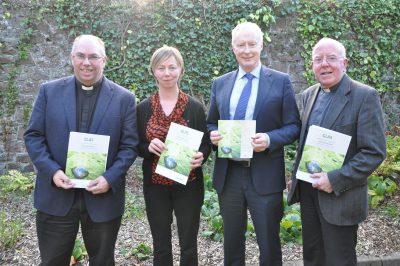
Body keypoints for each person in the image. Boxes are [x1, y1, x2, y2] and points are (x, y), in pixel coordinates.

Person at [24, 34, 138, 266]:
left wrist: (109, 178)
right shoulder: (49, 91)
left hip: (102, 198)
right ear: (72, 58)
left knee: (103, 262)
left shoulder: (124, 98)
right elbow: (33, 136)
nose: (87, 62)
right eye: (81, 56)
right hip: (56, 196)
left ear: (103, 60)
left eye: (93, 57)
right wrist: (53, 172)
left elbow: (129, 146)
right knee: (53, 261)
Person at [206, 22, 301, 266]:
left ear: (261, 45)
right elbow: (210, 124)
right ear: (233, 48)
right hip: (230, 177)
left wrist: (269, 139)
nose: (247, 50)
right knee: (232, 244)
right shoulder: (221, 83)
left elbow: (293, 127)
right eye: (241, 45)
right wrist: (214, 136)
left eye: (252, 44)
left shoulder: (280, 81)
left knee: (269, 245)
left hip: (265, 176)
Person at [287, 37, 386, 266]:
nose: (324, 64)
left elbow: (374, 152)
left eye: (331, 58)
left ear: (345, 63)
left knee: (339, 261)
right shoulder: (309, 94)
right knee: (312, 258)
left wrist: (335, 179)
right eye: (318, 59)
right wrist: (296, 177)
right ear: (312, 65)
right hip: (310, 194)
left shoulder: (364, 96)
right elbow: (305, 142)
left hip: (340, 196)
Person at [136, 46, 211, 266]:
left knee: (188, 244)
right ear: (153, 71)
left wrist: (201, 157)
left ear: (181, 70)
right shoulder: (143, 109)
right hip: (155, 185)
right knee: (160, 244)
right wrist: (148, 147)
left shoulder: (195, 107)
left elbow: (205, 144)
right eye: (161, 68)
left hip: (189, 184)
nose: (167, 73)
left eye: (172, 67)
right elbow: (135, 144)